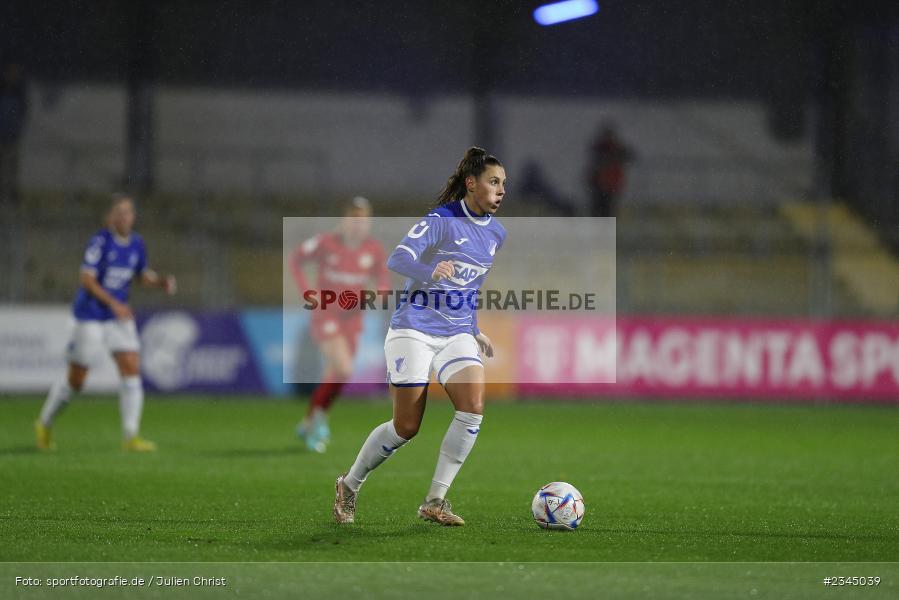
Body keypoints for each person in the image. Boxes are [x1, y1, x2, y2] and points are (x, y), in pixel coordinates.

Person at [333, 146, 506, 526]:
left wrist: (474, 328)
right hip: (414, 327)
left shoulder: (497, 233)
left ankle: (435, 500)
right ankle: (349, 484)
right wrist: (430, 270)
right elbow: (397, 258)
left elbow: (471, 287)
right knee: (406, 427)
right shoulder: (441, 220)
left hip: (457, 331)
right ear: (471, 184)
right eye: (494, 182)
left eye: (503, 184)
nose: (501, 190)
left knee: (473, 408)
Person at [35, 193, 176, 451]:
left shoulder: (137, 243)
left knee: (131, 367)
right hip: (89, 315)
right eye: (119, 212)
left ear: (133, 216)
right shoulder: (100, 242)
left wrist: (160, 282)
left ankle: (131, 436)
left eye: (128, 212)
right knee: (77, 380)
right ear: (110, 216)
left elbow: (140, 274)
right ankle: (45, 422)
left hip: (117, 317)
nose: (124, 217)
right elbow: (87, 280)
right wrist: (114, 303)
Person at [289, 196, 390, 453]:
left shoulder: (373, 250)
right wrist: (306, 291)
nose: (358, 224)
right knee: (343, 368)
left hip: (353, 319)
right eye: (354, 219)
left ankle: (309, 421)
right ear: (344, 220)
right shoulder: (325, 243)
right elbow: (296, 260)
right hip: (326, 315)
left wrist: (379, 292)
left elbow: (382, 280)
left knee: (336, 373)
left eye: (363, 219)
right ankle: (318, 421)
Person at [587, 122, 634, 218]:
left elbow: (630, 156)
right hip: (601, 185)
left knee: (606, 211)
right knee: (599, 210)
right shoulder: (601, 148)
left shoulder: (616, 149)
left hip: (610, 185)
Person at [0, 58, 28, 207]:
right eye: (11, 71)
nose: (13, 75)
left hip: (12, 136)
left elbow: (22, 113)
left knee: (12, 167)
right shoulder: (3, 89)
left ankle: (11, 194)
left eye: (15, 72)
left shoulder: (19, 92)